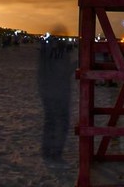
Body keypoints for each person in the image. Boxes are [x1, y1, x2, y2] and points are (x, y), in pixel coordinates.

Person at [37, 33, 74, 165]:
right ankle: (55, 153)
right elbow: (64, 72)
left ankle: (47, 151)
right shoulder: (61, 57)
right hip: (59, 94)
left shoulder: (45, 56)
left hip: (47, 93)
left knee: (50, 123)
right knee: (61, 124)